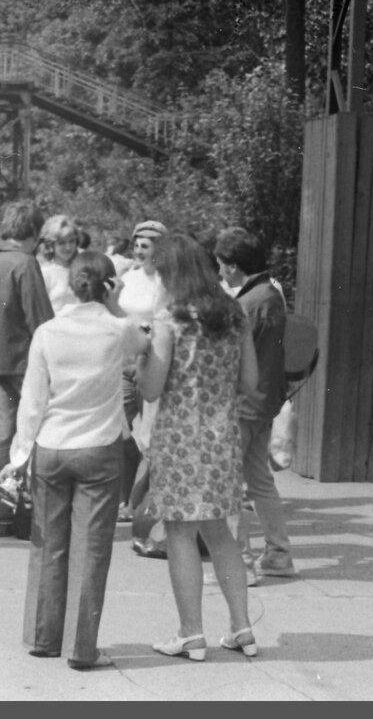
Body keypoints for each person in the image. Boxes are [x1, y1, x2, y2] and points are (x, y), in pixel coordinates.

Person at [0, 251, 150, 670]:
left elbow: (32, 401)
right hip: (99, 450)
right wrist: (117, 303)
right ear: (108, 285)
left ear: (68, 285)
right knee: (91, 549)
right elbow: (144, 341)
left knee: (49, 543)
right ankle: (81, 648)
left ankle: (44, 638)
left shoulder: (48, 331)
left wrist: (19, 456)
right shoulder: (117, 329)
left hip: (51, 447)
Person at [138, 233, 260, 661]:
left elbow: (152, 389)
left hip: (178, 437)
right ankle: (242, 627)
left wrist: (141, 360)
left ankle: (191, 633)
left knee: (179, 534)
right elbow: (251, 382)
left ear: (172, 272)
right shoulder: (234, 314)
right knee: (220, 533)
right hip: (221, 436)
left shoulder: (171, 319)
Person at [215, 227, 297, 580]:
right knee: (259, 480)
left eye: (221, 265)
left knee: (228, 484)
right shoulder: (271, 294)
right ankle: (278, 554)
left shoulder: (247, 303)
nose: (219, 272)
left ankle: (240, 565)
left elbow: (227, 353)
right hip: (264, 401)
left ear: (232, 266)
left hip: (242, 403)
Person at [0, 200, 55, 538]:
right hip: (25, 358)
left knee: (2, 434)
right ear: (33, 233)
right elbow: (39, 315)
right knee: (30, 435)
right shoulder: (25, 264)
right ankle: (26, 510)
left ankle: (2, 511)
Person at [118, 220, 168, 533]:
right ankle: (127, 494)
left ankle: (137, 502)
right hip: (123, 359)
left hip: (152, 359)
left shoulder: (167, 281)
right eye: (136, 244)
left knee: (150, 433)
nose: (138, 250)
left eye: (145, 246)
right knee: (122, 426)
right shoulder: (127, 277)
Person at [39, 215, 81, 316]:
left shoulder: (83, 268)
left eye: (72, 241)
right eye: (61, 243)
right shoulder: (45, 273)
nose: (68, 247)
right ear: (50, 245)